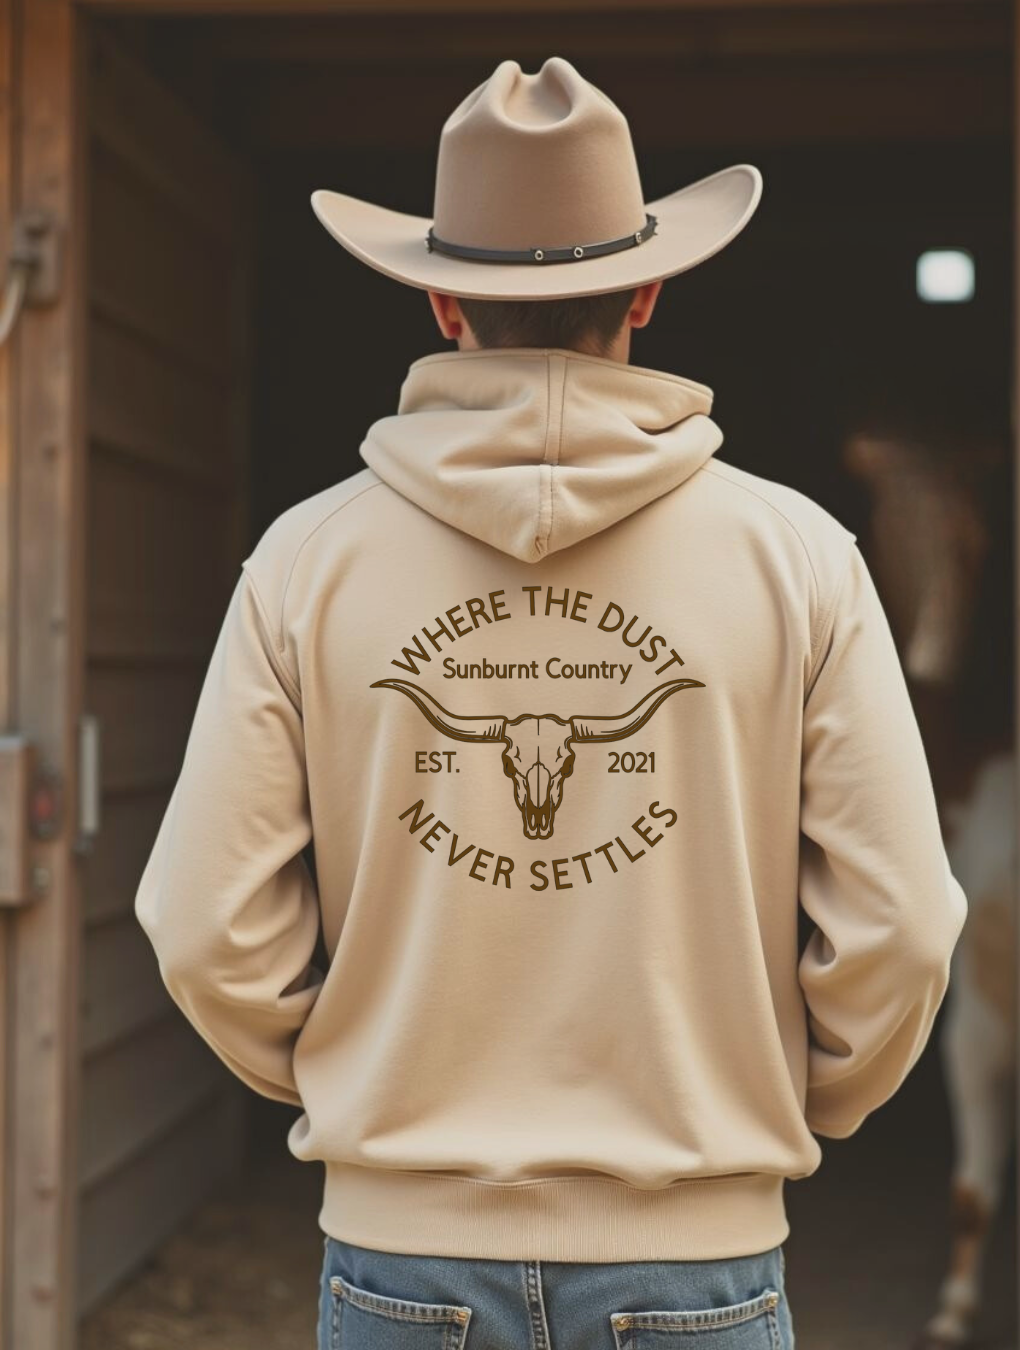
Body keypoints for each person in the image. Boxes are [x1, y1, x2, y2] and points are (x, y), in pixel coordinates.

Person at [134, 55, 968, 1350]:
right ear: (646, 288)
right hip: (701, 1263)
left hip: (400, 1265)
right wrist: (788, 1102)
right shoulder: (797, 558)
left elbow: (201, 929)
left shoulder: (307, 561)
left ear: (440, 301)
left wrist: (367, 1088)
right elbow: (904, 928)